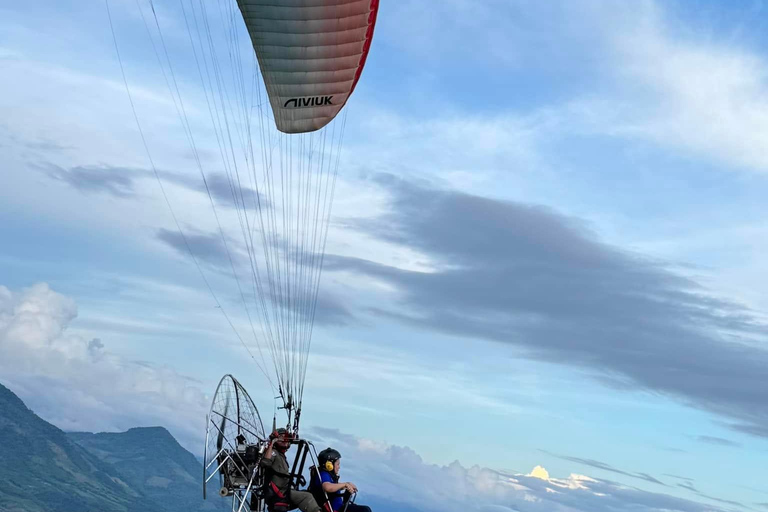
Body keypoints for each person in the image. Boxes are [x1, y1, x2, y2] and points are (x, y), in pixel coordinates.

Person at [258, 429, 322, 512]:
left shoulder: (281, 455)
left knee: (309, 494)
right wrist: (271, 444)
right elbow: (265, 463)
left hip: (285, 491)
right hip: (279, 493)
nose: (285, 440)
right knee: (307, 497)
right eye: (281, 437)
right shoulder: (274, 452)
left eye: (286, 438)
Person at [310, 448, 371, 512]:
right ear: (329, 465)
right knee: (365, 510)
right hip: (337, 509)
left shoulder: (326, 475)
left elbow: (333, 485)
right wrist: (344, 484)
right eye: (338, 464)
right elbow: (327, 487)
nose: (339, 467)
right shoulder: (324, 474)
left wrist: (347, 484)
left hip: (339, 507)